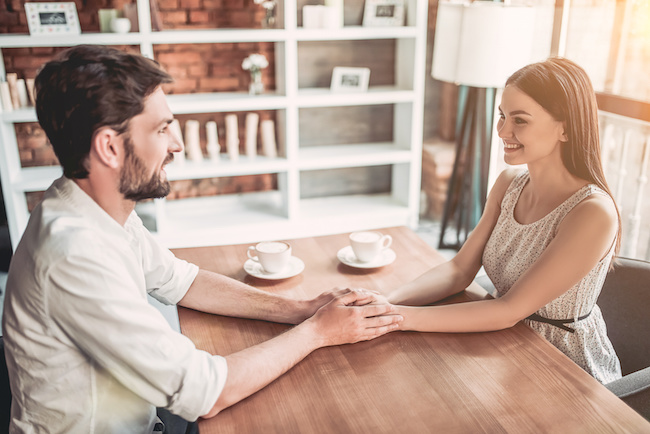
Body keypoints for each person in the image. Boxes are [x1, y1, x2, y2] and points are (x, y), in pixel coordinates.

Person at [1, 45, 403, 434]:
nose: (176, 144)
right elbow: (205, 393)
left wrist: (299, 309)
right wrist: (319, 331)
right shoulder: (73, 252)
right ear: (109, 147)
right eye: (161, 129)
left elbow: (181, 280)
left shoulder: (97, 209)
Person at [387, 57, 622, 384]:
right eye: (501, 115)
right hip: (500, 342)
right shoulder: (509, 183)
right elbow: (459, 270)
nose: (502, 131)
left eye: (520, 120)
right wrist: (386, 302)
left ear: (566, 128)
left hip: (564, 370)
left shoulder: (592, 212)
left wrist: (396, 319)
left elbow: (510, 309)